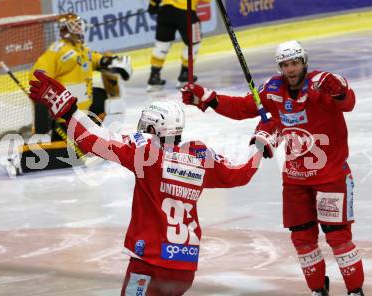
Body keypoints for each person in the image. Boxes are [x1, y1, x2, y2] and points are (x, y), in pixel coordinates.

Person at [27, 70, 275, 295]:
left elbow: (92, 140)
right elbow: (241, 173)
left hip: (149, 264)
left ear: (155, 129)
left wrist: (69, 110)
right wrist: (261, 143)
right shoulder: (199, 155)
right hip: (183, 269)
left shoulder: (146, 153)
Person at [181, 40, 365, 296]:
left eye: (295, 63)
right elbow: (242, 108)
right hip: (295, 180)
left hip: (331, 177)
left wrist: (341, 91)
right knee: (302, 239)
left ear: (304, 62)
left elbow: (348, 103)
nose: (290, 69)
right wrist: (208, 98)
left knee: (338, 237)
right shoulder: (272, 88)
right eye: (285, 64)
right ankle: (317, 290)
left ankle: (355, 292)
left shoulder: (322, 84)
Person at [4, 13, 132, 176]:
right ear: (65, 29)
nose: (80, 29)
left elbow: (94, 59)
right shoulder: (57, 51)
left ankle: (97, 137)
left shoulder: (81, 49)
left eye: (80, 25)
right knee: (67, 149)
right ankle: (29, 158)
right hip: (66, 113)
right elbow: (37, 75)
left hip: (84, 109)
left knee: (106, 98)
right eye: (75, 26)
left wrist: (107, 61)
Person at [146, 0, 210, 91]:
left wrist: (152, 5)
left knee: (162, 45)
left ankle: (154, 76)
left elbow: (154, 4)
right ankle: (185, 74)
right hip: (186, 12)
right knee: (194, 44)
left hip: (165, 11)